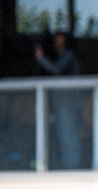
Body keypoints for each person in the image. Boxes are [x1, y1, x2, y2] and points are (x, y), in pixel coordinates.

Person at [35, 32, 83, 168]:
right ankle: (67, 164)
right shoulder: (60, 56)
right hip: (61, 102)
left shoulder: (69, 55)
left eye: (60, 41)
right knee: (63, 135)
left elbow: (57, 70)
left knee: (68, 135)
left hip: (68, 101)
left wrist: (41, 58)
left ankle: (72, 166)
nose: (57, 44)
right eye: (56, 41)